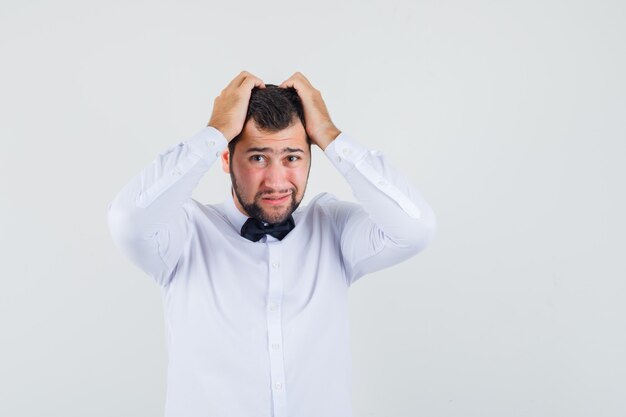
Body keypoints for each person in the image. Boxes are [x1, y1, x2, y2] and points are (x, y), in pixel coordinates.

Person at [107, 71, 437, 417]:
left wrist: (330, 135)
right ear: (224, 159)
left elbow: (415, 228)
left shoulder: (334, 229)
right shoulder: (183, 234)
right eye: (258, 158)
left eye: (292, 157)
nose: (277, 181)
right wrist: (215, 132)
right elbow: (128, 220)